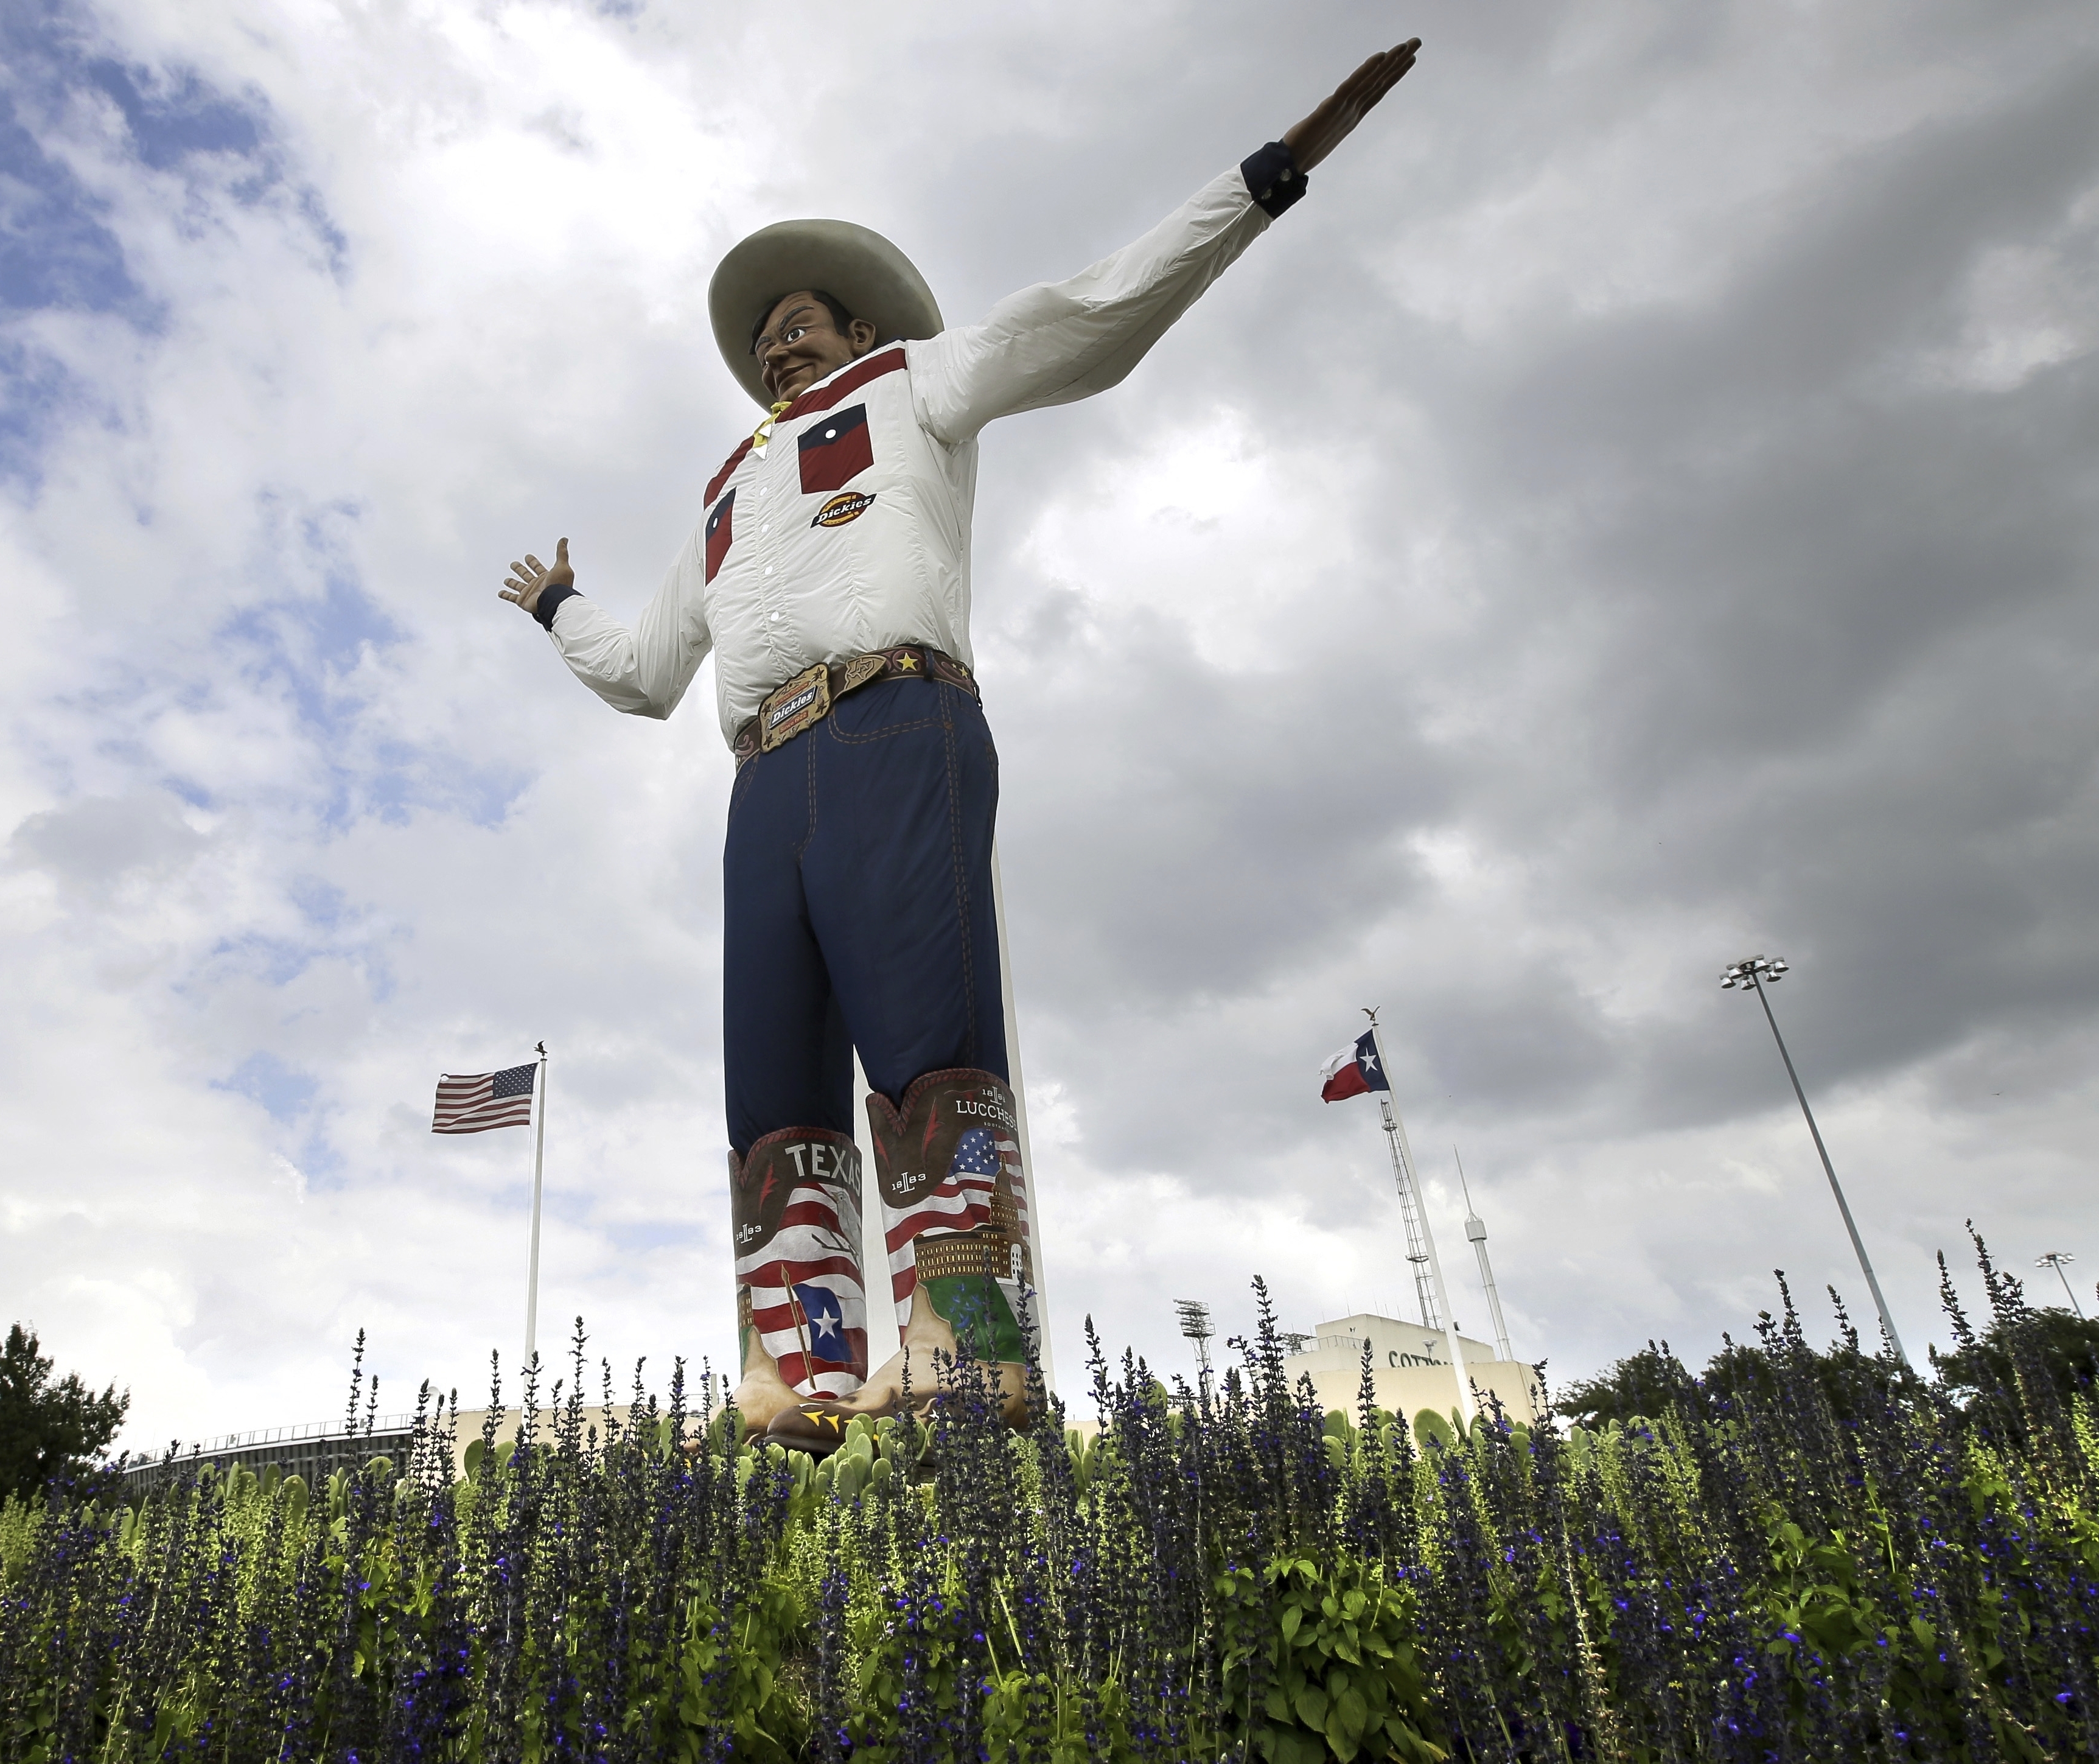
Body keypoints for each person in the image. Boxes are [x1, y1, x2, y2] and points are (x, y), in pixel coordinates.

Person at [499, 41, 1420, 1452]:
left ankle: (970, 1348)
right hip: (764, 777)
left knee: (930, 1043)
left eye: (803, 321)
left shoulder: (918, 387)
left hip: (897, 719)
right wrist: (562, 607)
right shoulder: (728, 492)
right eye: (765, 335)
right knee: (773, 1075)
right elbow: (646, 674)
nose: (776, 343)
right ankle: (796, 1367)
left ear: (859, 329)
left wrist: (1268, 177)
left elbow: (1093, 315)